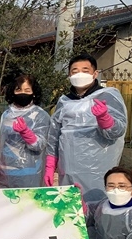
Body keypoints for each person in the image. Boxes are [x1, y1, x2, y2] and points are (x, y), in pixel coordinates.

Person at [45, 53, 127, 203]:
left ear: (95, 74)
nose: (79, 74)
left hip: (98, 170)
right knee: (73, 211)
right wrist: (50, 166)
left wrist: (104, 118)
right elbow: (54, 136)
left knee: (98, 209)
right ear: (69, 75)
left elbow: (118, 130)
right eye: (74, 71)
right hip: (67, 170)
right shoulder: (64, 101)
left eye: (85, 70)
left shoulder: (108, 96)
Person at [0, 73, 50, 188]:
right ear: (13, 92)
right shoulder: (6, 114)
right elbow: (0, 143)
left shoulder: (40, 115)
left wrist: (26, 133)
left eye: (27, 90)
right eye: (18, 90)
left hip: (29, 172)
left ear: (34, 93)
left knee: (29, 203)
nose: (22, 93)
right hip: (6, 172)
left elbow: (40, 145)